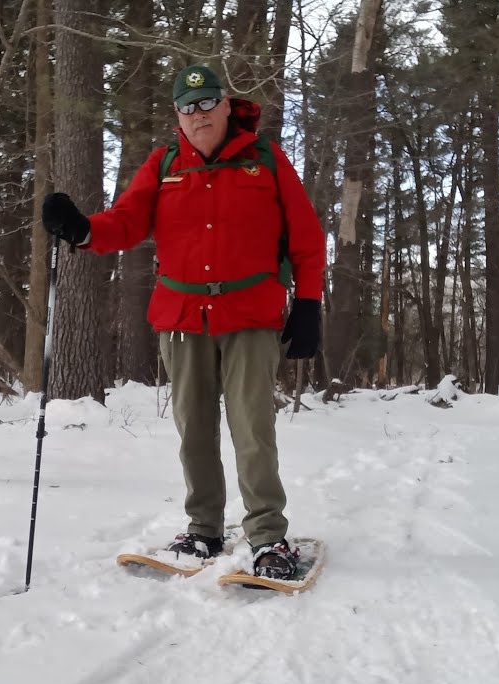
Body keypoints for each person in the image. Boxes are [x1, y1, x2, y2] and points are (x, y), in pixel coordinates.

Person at [41, 64, 325, 580]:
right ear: (178, 115)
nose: (198, 114)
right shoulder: (164, 163)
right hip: (182, 317)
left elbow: (307, 237)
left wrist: (308, 303)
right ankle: (204, 530)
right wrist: (82, 230)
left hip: (249, 315)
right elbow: (126, 221)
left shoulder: (266, 160)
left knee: (252, 429)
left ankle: (268, 538)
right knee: (193, 428)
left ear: (224, 106)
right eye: (187, 107)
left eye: (207, 103)